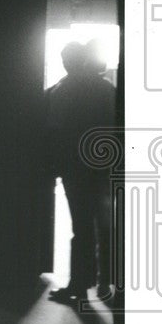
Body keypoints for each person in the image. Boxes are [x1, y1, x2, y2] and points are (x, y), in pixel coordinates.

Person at [45, 41, 116, 304]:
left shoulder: (61, 91)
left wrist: (52, 167)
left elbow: (55, 132)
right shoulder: (106, 88)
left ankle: (79, 285)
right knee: (107, 226)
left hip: (75, 167)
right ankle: (106, 284)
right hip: (105, 166)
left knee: (82, 227)